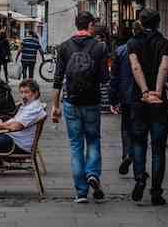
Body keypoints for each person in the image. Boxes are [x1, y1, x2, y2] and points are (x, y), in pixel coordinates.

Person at [51, 11, 109, 203]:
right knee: (93, 140)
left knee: (76, 145)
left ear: (77, 25)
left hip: (71, 102)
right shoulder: (100, 47)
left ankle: (81, 192)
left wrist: (55, 106)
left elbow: (58, 79)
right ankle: (92, 173)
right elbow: (103, 78)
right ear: (90, 25)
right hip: (92, 102)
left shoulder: (64, 47)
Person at [127, 8, 168, 205]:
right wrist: (157, 93)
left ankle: (139, 178)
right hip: (159, 104)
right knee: (158, 148)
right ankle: (156, 192)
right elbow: (164, 66)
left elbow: (135, 66)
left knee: (138, 143)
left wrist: (145, 92)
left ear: (141, 22)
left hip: (139, 101)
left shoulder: (132, 43)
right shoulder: (164, 42)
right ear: (158, 23)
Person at [110, 31, 136, 176]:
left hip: (126, 96)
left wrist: (113, 100)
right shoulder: (144, 48)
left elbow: (114, 77)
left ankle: (127, 154)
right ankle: (139, 164)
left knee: (126, 128)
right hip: (144, 97)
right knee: (140, 130)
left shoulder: (120, 51)